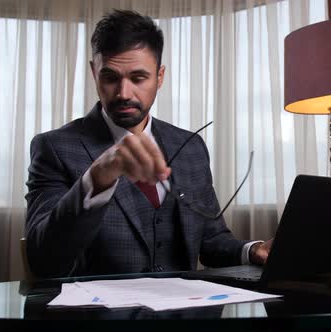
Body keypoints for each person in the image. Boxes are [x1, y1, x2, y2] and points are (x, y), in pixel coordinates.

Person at [25, 9, 271, 278]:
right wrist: (97, 179)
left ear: (160, 76)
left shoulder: (191, 147)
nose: (123, 93)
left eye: (138, 78)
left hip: (185, 314)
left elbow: (211, 241)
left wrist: (253, 250)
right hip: (97, 317)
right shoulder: (54, 148)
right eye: (110, 78)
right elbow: (42, 259)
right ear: (94, 72)